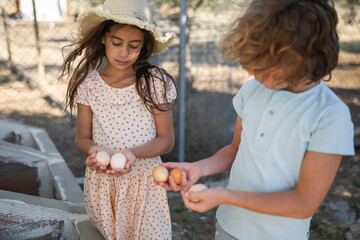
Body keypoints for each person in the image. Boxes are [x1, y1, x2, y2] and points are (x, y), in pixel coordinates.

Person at [158, 0, 355, 239]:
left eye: (268, 67)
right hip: (228, 227)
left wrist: (224, 195)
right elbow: (235, 149)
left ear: (306, 58)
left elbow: (304, 203)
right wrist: (198, 169)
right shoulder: (252, 90)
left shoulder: (329, 115)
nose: (255, 74)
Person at [58, 0, 177, 239]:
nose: (124, 53)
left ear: (143, 46)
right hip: (104, 183)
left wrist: (131, 153)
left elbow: (166, 140)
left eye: (134, 46)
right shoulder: (89, 85)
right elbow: (82, 138)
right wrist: (94, 151)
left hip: (144, 183)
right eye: (117, 43)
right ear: (104, 38)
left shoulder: (153, 82)